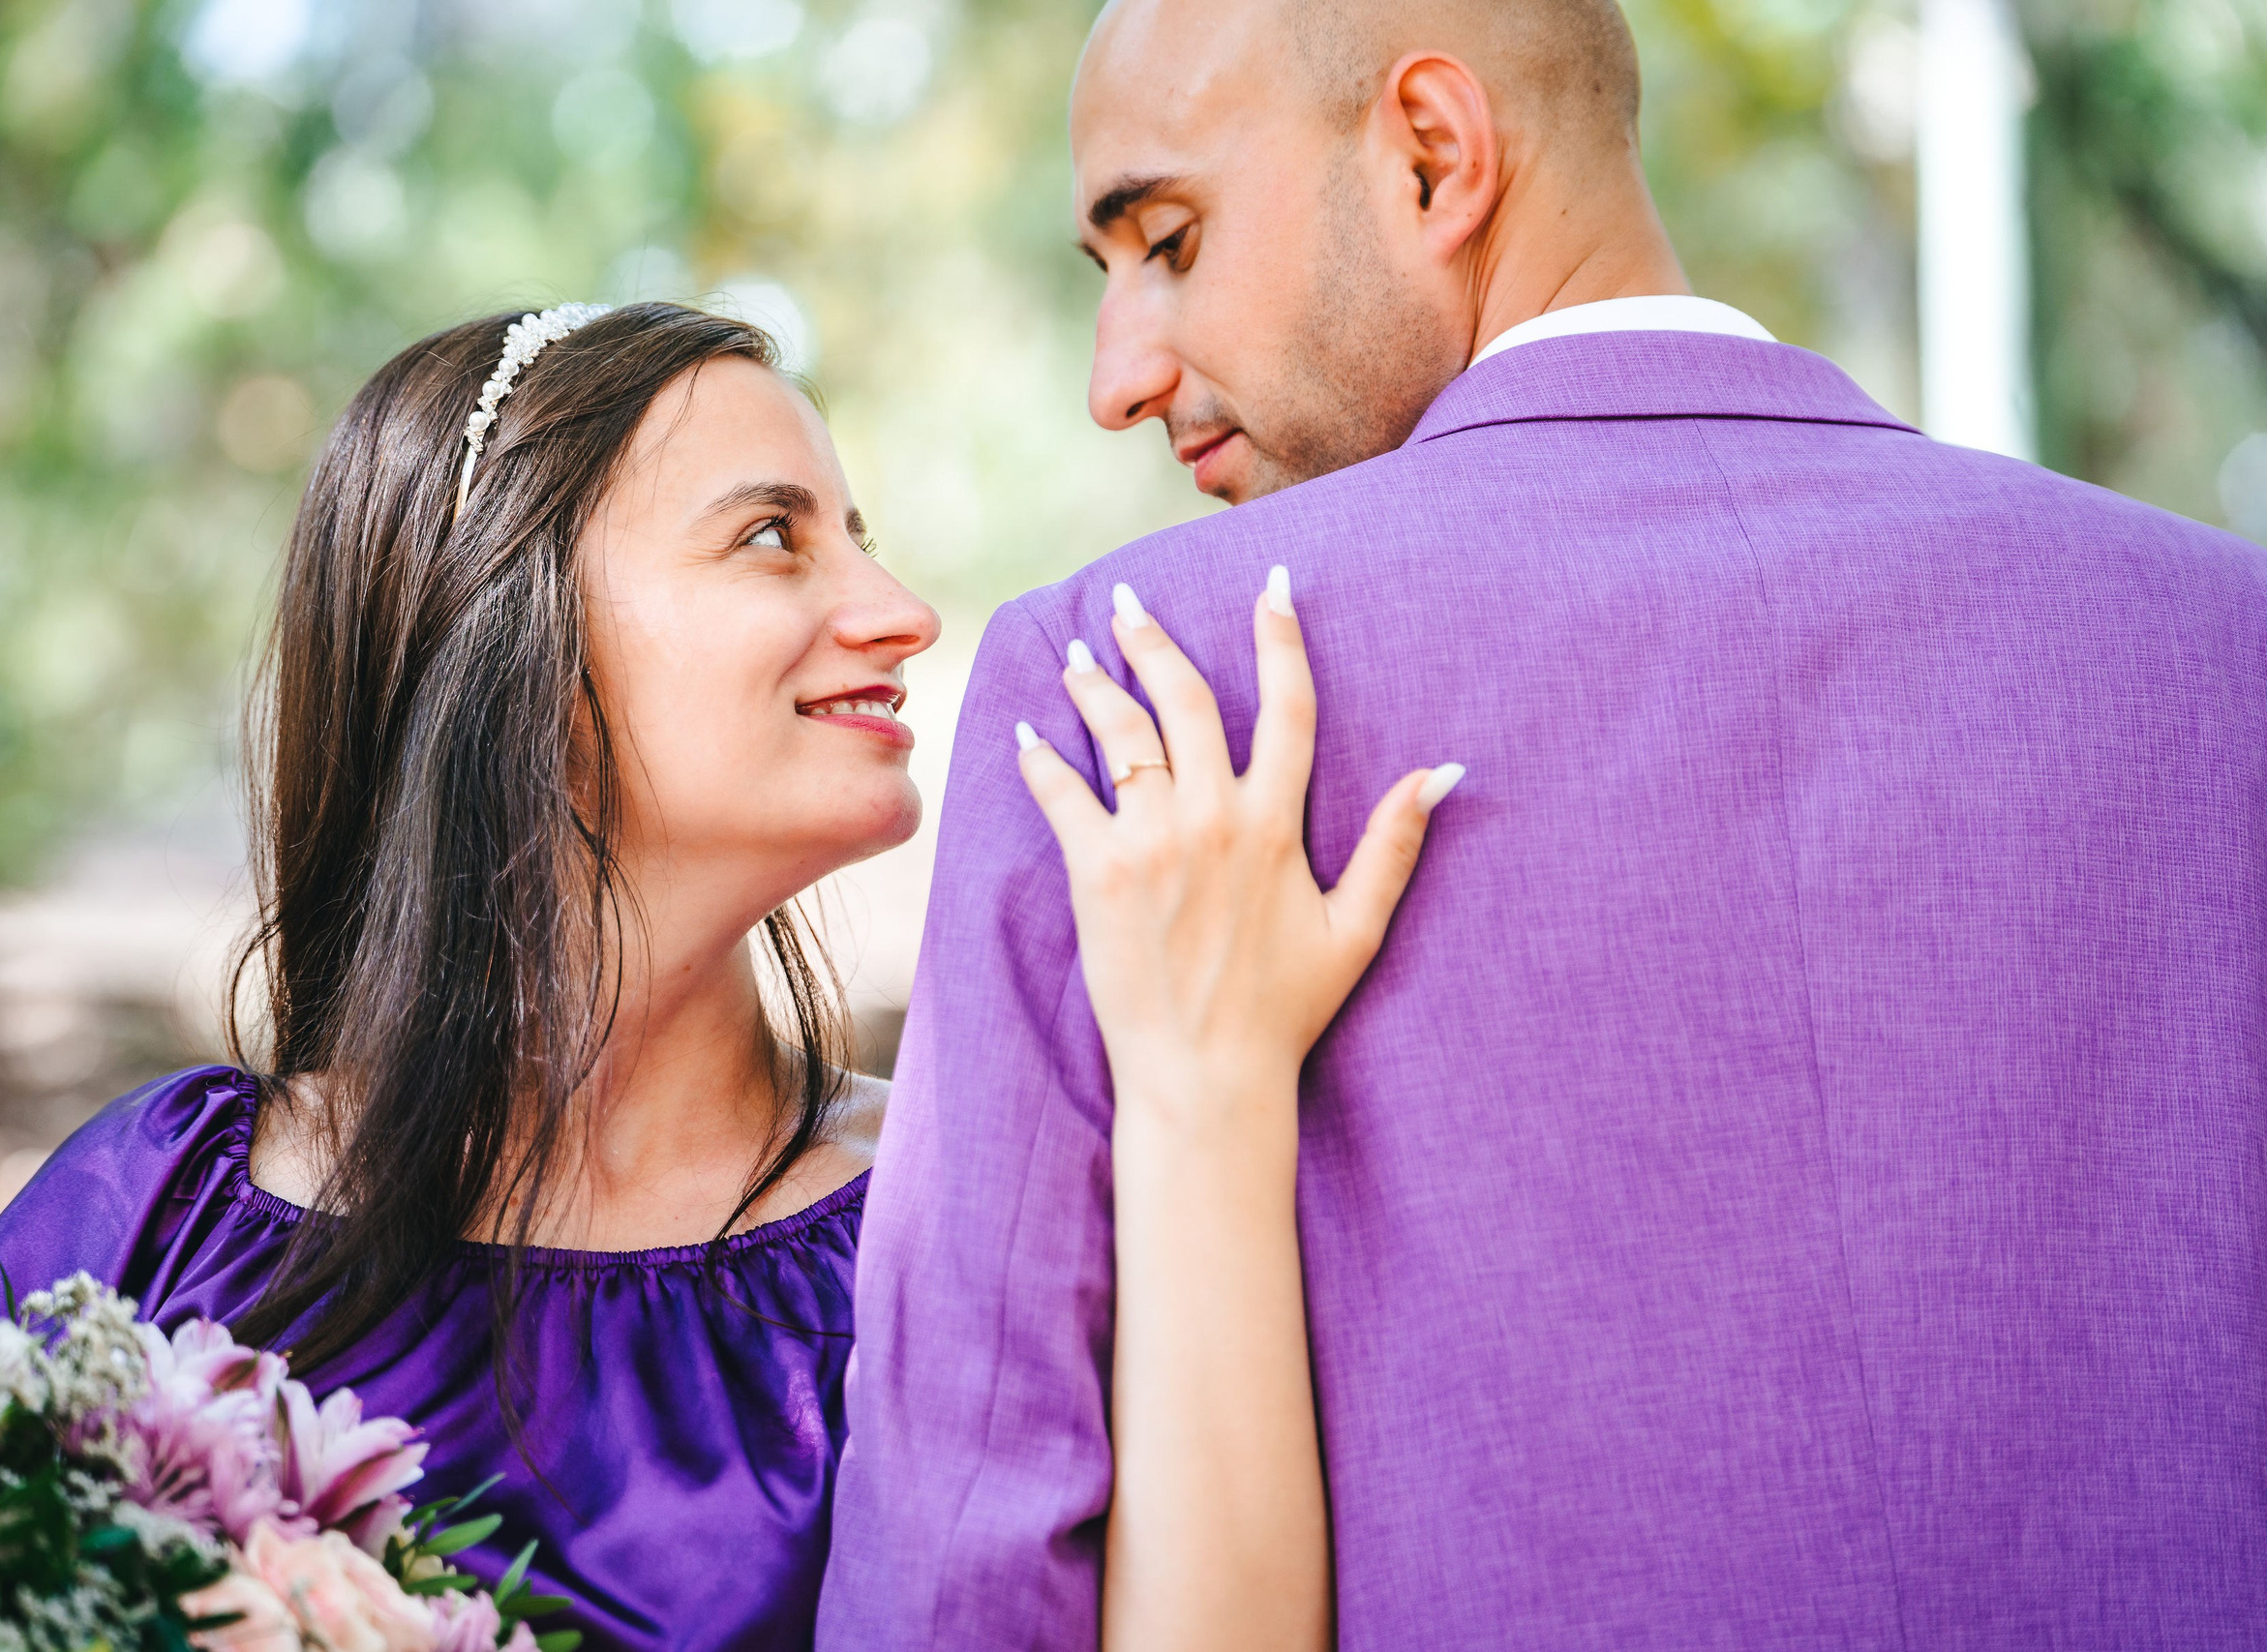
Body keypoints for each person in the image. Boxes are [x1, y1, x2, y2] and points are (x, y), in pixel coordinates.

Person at [817, 0, 2267, 1646]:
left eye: (1169, 238)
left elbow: (961, 1586)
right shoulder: (2231, 654)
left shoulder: (1130, 696)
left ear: (1436, 156)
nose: (1116, 378)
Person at [0, 300, 1450, 1650]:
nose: (905, 612)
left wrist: (1219, 1080)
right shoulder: (159, 1206)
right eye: (774, 534)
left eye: (861, 529)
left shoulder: (957, 1206)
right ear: (509, 636)